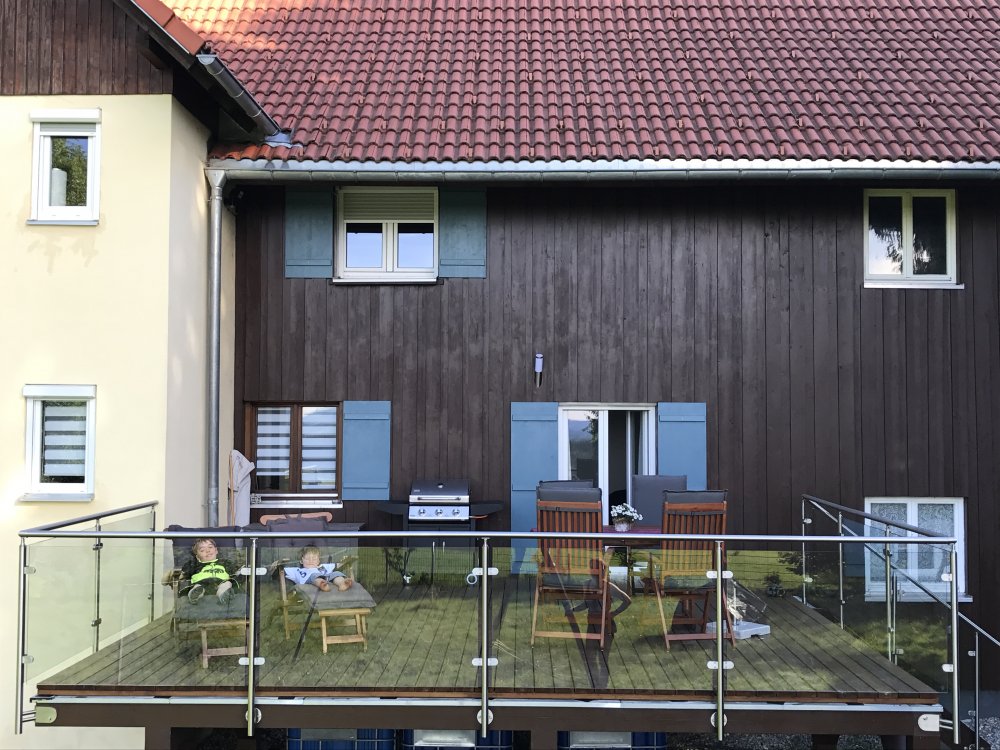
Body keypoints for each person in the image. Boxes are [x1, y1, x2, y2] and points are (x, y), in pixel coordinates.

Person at [180, 538, 241, 604]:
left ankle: (223, 594)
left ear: (216, 550)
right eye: (202, 550)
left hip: (221, 583)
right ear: (197, 556)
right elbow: (182, 575)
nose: (207, 550)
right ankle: (196, 594)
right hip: (201, 583)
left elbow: (236, 572)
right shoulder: (194, 564)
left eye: (210, 547)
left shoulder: (225, 562)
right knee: (197, 586)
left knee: (228, 583)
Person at [284, 545, 353, 592]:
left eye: (314, 559)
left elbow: (338, 566)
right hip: (308, 582)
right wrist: (279, 563)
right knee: (314, 576)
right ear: (301, 561)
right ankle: (322, 584)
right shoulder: (298, 570)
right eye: (307, 559)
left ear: (318, 561)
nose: (311, 561)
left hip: (326, 579)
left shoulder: (322, 567)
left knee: (336, 573)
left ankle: (342, 583)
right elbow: (282, 570)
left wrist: (346, 560)